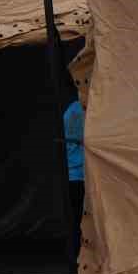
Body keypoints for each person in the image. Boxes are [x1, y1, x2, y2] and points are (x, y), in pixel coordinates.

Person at [62, 95, 85, 263]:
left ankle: (75, 261)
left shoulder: (72, 109)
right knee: (82, 222)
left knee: (76, 222)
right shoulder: (80, 111)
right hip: (81, 176)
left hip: (73, 175)